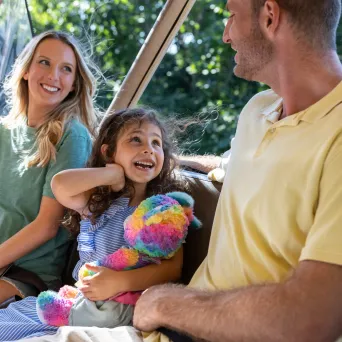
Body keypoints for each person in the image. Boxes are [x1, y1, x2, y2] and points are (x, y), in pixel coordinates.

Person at [133, 0, 342, 341]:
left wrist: (163, 303)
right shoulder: (258, 109)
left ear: (270, 17)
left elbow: (312, 318)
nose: (226, 35)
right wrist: (157, 161)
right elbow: (237, 168)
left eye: (232, 15)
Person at [0, 108, 186, 341]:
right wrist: (110, 176)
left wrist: (120, 282)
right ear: (108, 152)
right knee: (7, 324)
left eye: (156, 143)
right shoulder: (98, 203)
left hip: (118, 308)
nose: (148, 149)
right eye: (135, 140)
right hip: (77, 301)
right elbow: (60, 186)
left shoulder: (161, 212)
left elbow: (172, 268)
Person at [0, 30, 98, 304]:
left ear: (74, 85)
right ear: (26, 70)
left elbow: (46, 226)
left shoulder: (72, 136)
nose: (54, 75)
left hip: (26, 273)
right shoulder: (4, 131)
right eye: (44, 62)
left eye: (66, 69)